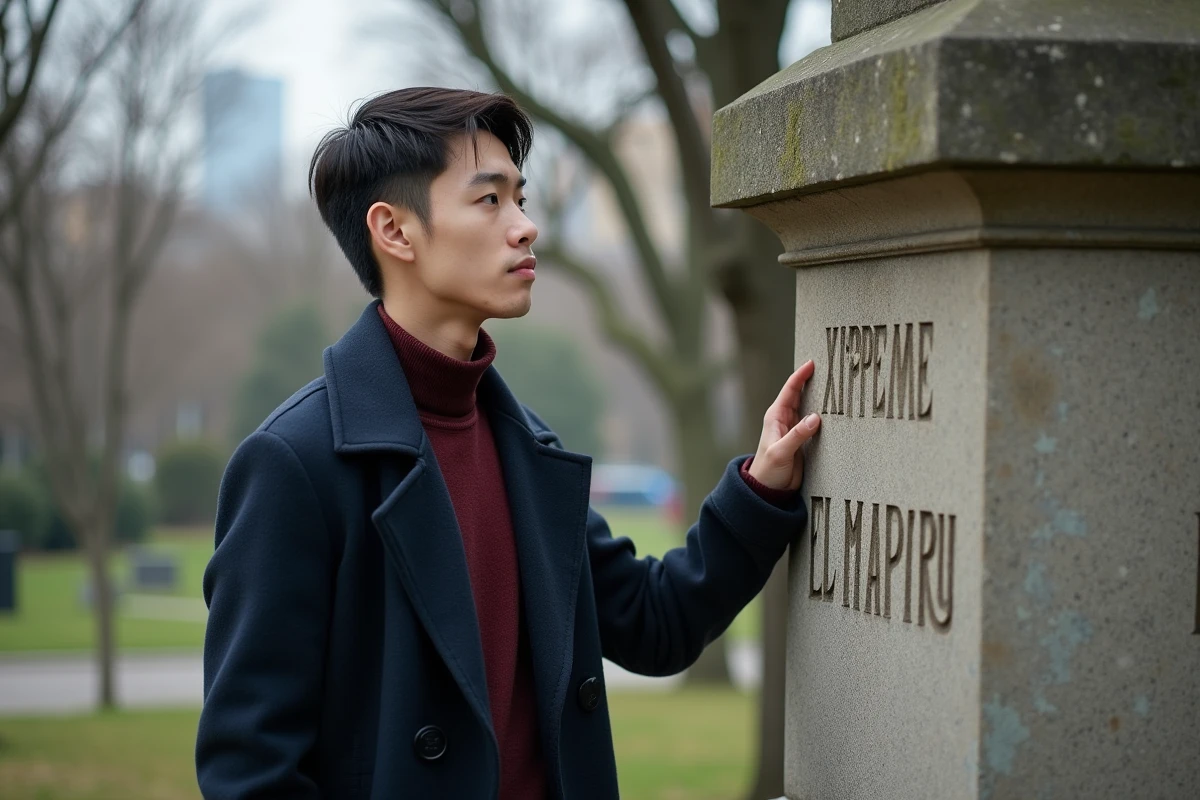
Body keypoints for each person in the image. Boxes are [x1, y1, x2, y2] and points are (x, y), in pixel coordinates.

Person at [195, 87, 821, 800]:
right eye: (489, 201)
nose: (525, 228)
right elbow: (251, 772)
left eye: (520, 199)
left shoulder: (523, 447)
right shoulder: (296, 463)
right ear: (394, 231)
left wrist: (761, 488)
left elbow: (654, 624)